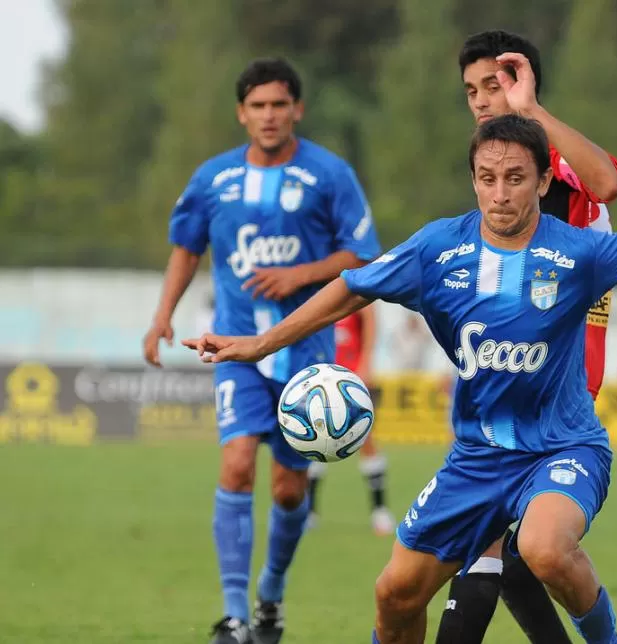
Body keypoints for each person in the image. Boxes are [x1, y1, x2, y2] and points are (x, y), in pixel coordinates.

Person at [184, 114, 617, 644]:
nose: (500, 192)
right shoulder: (437, 249)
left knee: (540, 547)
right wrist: (260, 343)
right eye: (486, 177)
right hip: (476, 460)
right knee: (394, 596)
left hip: (564, 447)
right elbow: (351, 288)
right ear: (472, 179)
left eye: (514, 177)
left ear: (541, 181)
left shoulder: (580, 251)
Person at [142, 57, 381, 644]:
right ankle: (233, 615)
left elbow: (364, 257)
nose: (269, 115)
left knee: (288, 488)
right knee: (236, 463)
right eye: (258, 106)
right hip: (235, 349)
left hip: (305, 353)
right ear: (241, 113)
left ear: (296, 109)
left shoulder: (330, 174)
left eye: (280, 104)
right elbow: (185, 246)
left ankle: (270, 594)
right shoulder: (213, 179)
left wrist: (301, 273)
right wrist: (162, 316)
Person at [440, 29, 617, 644]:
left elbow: (609, 183)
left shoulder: (551, 167)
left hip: (557, 387)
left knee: (502, 548)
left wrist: (533, 111)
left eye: (495, 85)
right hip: (503, 380)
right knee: (509, 553)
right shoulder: (499, 175)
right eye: (473, 90)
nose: (483, 100)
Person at [305, 305, 396, 536]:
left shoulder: (354, 286)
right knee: (315, 438)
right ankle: (310, 511)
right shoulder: (319, 290)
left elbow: (370, 320)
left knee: (366, 439)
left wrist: (367, 363)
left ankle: (379, 510)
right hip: (323, 378)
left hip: (351, 378)